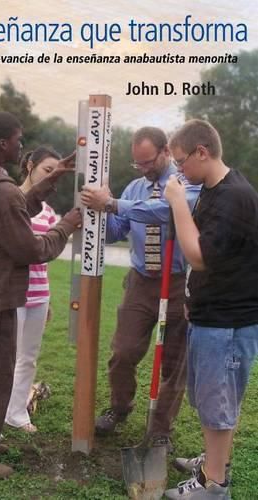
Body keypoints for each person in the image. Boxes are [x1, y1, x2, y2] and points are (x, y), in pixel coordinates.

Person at [0, 112, 81, 479]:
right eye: (18, 139)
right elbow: (31, 250)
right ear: (3, 144)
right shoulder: (1, 191)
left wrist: (51, 177)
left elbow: (16, 206)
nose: (22, 144)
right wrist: (67, 224)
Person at [81, 127, 200, 446]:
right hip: (140, 283)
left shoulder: (184, 183)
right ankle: (119, 408)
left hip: (177, 283)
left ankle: (160, 430)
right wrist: (96, 217)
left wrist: (113, 203)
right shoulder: (134, 188)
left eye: (148, 161)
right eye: (138, 164)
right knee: (123, 351)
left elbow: (162, 213)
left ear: (165, 152)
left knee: (174, 363)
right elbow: (118, 228)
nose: (144, 169)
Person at [163, 119, 258, 499]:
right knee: (211, 399)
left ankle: (213, 485)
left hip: (228, 322)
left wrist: (175, 201)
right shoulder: (214, 189)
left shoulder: (233, 196)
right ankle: (214, 462)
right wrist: (192, 300)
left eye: (181, 162)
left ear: (202, 152)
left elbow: (199, 255)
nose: (179, 172)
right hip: (212, 314)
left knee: (217, 404)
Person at [5, 146, 60, 433]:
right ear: (30, 165)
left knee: (28, 357)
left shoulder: (49, 213)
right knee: (5, 358)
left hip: (39, 296)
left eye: (55, 174)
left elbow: (45, 259)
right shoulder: (10, 200)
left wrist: (47, 301)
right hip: (11, 295)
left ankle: (16, 414)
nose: (50, 178)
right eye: (46, 170)